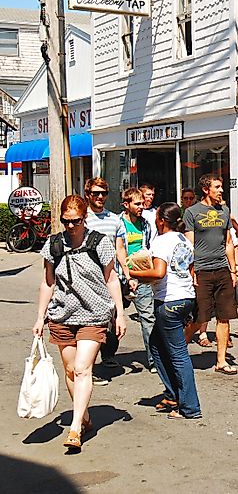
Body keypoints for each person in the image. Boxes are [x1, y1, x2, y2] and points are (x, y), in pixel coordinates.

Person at [32, 195, 126, 450]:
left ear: (84, 218)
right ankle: (83, 416)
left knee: (84, 368)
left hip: (94, 314)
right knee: (71, 370)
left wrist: (120, 312)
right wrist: (40, 317)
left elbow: (112, 279)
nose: (71, 226)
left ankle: (74, 429)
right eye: (66, 221)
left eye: (75, 221)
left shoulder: (100, 242)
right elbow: (48, 282)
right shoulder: (53, 245)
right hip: (62, 315)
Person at [130, 203, 202, 419]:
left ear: (161, 220)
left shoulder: (162, 241)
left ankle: (190, 407)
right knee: (156, 345)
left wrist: (133, 272)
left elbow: (159, 272)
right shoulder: (184, 240)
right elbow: (190, 270)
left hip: (169, 301)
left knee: (178, 354)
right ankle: (173, 394)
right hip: (185, 297)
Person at [183, 174, 238, 375]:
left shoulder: (224, 211)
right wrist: (192, 272)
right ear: (206, 190)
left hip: (222, 270)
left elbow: (228, 243)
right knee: (199, 318)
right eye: (217, 187)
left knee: (224, 317)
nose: (221, 190)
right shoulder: (192, 213)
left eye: (221, 187)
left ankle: (221, 361)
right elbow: (188, 246)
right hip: (201, 270)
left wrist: (233, 270)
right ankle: (178, 353)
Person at [84, 177, 130, 381]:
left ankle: (109, 354)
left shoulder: (115, 219)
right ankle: (88, 368)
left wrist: (128, 274)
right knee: (91, 323)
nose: (100, 197)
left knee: (113, 320)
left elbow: (120, 249)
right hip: (88, 281)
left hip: (112, 278)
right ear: (88, 195)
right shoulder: (81, 219)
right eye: (96, 193)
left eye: (103, 193)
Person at [119, 187, 156, 372]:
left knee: (148, 318)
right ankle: (109, 355)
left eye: (142, 203)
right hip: (119, 276)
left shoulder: (145, 224)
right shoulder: (118, 224)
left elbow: (148, 245)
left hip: (141, 275)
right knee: (111, 319)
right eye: (137, 204)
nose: (142, 207)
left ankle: (153, 360)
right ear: (126, 205)